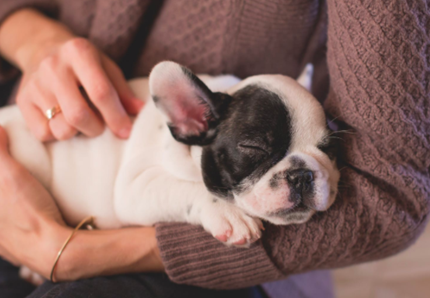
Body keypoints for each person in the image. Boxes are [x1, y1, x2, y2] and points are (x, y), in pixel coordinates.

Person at [0, 1, 428, 297]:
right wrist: (36, 41)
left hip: (124, 252)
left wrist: (63, 253)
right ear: (190, 121)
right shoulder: (188, 127)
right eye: (257, 152)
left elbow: (391, 191)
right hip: (24, 157)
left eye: (323, 151)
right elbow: (131, 197)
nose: (300, 177)